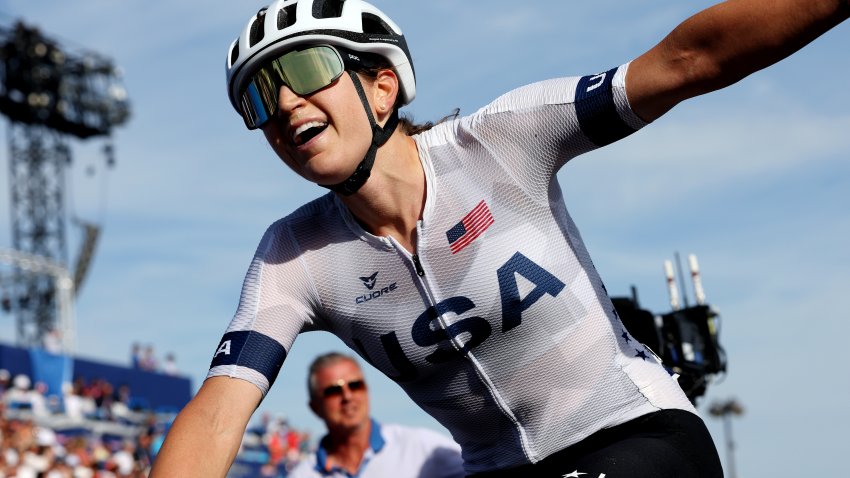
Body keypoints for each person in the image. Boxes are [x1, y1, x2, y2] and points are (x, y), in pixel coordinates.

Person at [150, 0, 849, 476]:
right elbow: (216, 417)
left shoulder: (500, 140)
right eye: (258, 97)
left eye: (302, 73)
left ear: (384, 86)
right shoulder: (291, 256)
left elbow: (688, 59)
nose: (283, 106)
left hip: (637, 435)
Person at [288, 352, 464, 478]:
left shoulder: (420, 447)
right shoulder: (304, 473)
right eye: (333, 391)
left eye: (355, 385)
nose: (347, 396)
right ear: (315, 407)